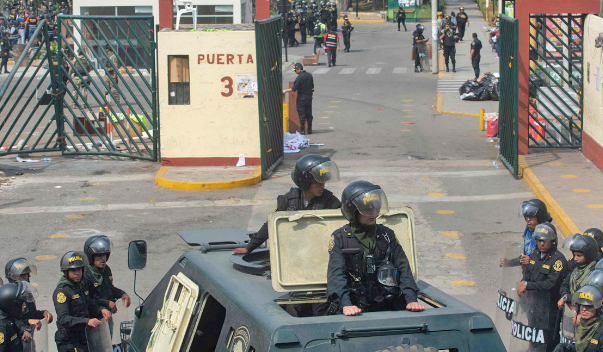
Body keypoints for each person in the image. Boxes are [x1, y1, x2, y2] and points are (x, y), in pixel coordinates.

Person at [326, 181, 424, 316]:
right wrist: (346, 304)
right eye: (366, 210)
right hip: (354, 303)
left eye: (375, 208)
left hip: (384, 302)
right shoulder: (340, 238)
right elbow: (336, 275)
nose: (372, 213)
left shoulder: (386, 235)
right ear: (353, 211)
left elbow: (403, 268)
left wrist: (411, 299)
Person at [233, 154, 341, 255]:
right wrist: (249, 247)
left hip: (318, 252)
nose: (322, 186)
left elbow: (343, 228)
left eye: (323, 181)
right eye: (317, 182)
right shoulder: (289, 199)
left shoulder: (331, 202)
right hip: (292, 252)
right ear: (305, 182)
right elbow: (271, 224)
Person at [517, 222, 567, 351]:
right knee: (534, 336)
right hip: (534, 305)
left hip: (550, 308)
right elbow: (527, 275)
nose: (542, 244)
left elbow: (550, 284)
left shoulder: (558, 260)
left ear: (552, 241)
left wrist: (527, 285)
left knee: (549, 339)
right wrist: (523, 283)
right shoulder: (534, 255)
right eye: (539, 241)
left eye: (545, 241)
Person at [53, 251, 112, 352]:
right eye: (73, 270)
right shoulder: (61, 292)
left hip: (85, 337)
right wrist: (87, 321)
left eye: (79, 269)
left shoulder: (81, 285)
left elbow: (89, 303)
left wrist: (101, 309)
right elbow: (64, 319)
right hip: (69, 341)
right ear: (66, 271)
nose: (77, 273)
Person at [83, 236, 131, 337]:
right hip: (94, 322)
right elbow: (87, 301)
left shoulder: (106, 270)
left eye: (105, 255)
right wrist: (105, 304)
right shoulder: (86, 275)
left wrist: (122, 294)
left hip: (107, 319)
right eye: (99, 256)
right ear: (91, 256)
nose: (103, 259)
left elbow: (110, 289)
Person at [500, 199, 552, 269]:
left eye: (531, 217)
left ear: (540, 217)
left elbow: (548, 261)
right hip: (529, 272)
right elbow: (526, 255)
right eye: (526, 217)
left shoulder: (546, 233)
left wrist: (531, 261)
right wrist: (510, 262)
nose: (528, 220)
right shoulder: (529, 231)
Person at [5, 258, 53, 331]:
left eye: (26, 274)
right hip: (15, 338)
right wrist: (28, 321)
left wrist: (44, 313)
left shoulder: (27, 293)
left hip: (29, 336)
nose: (25, 277)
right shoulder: (8, 296)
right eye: (21, 275)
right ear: (12, 278)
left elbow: (32, 314)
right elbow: (9, 321)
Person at [553, 285, 603, 352]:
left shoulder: (600, 329)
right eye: (582, 305)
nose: (584, 309)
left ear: (598, 308)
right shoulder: (582, 325)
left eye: (589, 306)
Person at [559, 234, 600, 310]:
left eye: (579, 255)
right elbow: (565, 284)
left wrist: (568, 298)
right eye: (574, 255)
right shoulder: (576, 269)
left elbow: (588, 295)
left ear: (588, 255)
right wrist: (565, 295)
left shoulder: (594, 272)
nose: (575, 259)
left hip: (587, 312)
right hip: (573, 311)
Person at [0, 282, 37, 351]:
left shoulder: (9, 316)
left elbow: (18, 321)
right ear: (13, 306)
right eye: (21, 304)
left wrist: (24, 330)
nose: (24, 306)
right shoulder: (2, 327)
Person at [283, 62, 314, 134]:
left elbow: (294, 88)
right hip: (309, 97)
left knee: (302, 114)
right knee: (309, 113)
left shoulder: (299, 77)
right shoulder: (309, 75)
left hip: (301, 98)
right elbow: (312, 86)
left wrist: (284, 91)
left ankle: (302, 130)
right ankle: (309, 129)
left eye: (295, 70)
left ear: (299, 69)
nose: (295, 71)